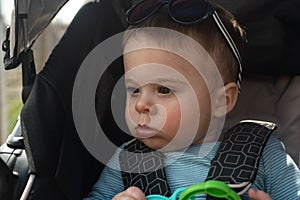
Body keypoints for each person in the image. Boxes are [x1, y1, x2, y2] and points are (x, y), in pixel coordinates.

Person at [84, 0, 300, 199]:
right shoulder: (127, 160)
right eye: (134, 90)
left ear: (222, 101)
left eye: (164, 89)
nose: (141, 104)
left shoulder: (263, 153)